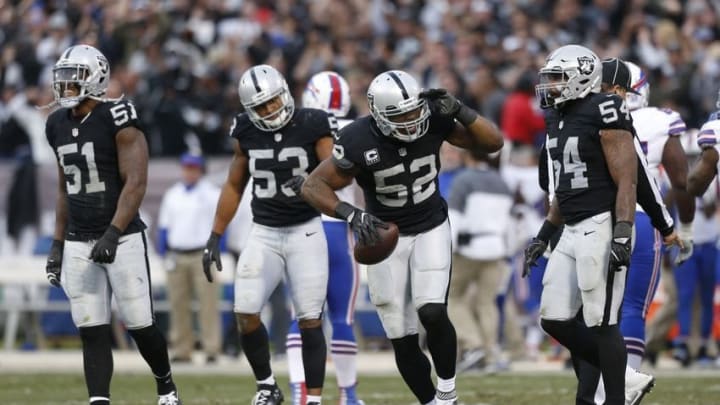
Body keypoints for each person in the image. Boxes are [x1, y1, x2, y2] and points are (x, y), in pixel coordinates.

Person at [297, 69, 504, 405]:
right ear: (379, 115)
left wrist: (461, 110)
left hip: (430, 225)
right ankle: (430, 401)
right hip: (385, 236)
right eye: (400, 115)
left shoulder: (434, 118)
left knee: (433, 312)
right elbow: (313, 185)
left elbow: (493, 143)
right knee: (400, 332)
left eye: (414, 111)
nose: (411, 121)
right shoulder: (358, 138)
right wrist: (352, 214)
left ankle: (448, 394)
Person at [42, 44, 181, 405]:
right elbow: (63, 190)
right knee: (91, 327)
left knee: (140, 323)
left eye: (75, 80)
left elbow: (136, 183)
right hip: (78, 238)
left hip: (121, 236)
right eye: (64, 80)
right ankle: (99, 399)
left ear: (97, 79)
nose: (66, 87)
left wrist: (114, 232)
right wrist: (57, 245)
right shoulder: (55, 123)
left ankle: (165, 385)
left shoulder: (118, 116)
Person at [202, 64, 334, 405]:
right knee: (245, 311)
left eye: (273, 101)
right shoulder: (246, 130)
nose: (269, 110)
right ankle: (267, 386)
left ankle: (314, 400)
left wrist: (312, 185)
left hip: (305, 230)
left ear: (286, 93)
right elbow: (234, 184)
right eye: (260, 106)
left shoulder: (312, 123)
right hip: (265, 232)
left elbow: (338, 173)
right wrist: (215, 234)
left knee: (309, 319)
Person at [522, 44, 643, 405]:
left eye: (558, 78)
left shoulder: (605, 109)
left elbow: (627, 179)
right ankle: (624, 376)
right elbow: (565, 188)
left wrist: (623, 230)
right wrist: (544, 234)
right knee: (554, 318)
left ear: (582, 77)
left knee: (601, 321)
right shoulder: (555, 118)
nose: (551, 86)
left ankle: (619, 397)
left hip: (601, 224)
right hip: (571, 227)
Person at [578, 58, 695, 405]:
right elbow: (681, 181)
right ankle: (626, 384)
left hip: (592, 219)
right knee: (630, 308)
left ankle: (597, 391)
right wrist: (683, 226)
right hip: (641, 218)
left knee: (594, 309)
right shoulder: (660, 120)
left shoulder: (579, 115)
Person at [283, 71, 364, 405]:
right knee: (342, 319)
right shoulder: (358, 129)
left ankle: (300, 392)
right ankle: (348, 394)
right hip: (338, 230)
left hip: (302, 228)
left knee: (301, 317)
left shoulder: (297, 128)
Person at [447, 148, 513, 373]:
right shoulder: (501, 182)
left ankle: (473, 345)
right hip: (496, 249)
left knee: (450, 298)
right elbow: (509, 221)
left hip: (468, 249)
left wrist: (448, 248)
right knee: (487, 304)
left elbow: (454, 218)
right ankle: (491, 355)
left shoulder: (463, 180)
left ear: (467, 155)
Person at [157, 152, 222, 364]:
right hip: (177, 254)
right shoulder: (173, 194)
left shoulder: (211, 193)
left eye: (193, 168)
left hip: (201, 254)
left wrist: (217, 249)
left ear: (201, 170)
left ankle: (211, 347)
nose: (189, 172)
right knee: (178, 303)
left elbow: (220, 222)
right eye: (186, 168)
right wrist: (163, 251)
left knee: (208, 302)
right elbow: (164, 226)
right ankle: (182, 348)